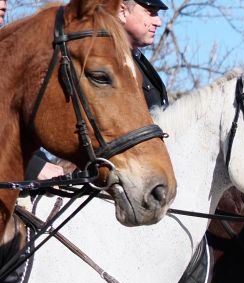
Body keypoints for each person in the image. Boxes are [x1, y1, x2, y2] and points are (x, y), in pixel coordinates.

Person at [26, 0, 170, 180]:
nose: (159, 22)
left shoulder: (140, 64)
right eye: (150, 12)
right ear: (122, 11)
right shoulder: (87, 63)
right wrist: (33, 164)